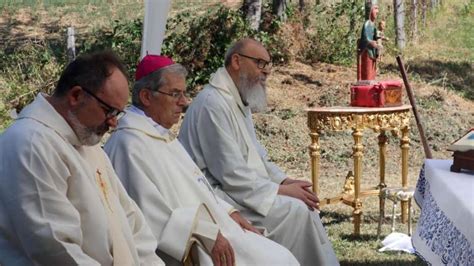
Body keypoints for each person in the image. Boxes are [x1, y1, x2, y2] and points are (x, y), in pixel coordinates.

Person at [104, 54, 299, 266]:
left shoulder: (160, 134)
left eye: (184, 93)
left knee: (282, 257)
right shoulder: (130, 144)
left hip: (214, 228)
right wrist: (206, 234)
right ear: (146, 97)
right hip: (194, 244)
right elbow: (148, 215)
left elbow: (196, 186)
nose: (184, 102)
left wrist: (228, 211)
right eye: (175, 94)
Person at [178, 38, 339, 266]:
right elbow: (232, 175)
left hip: (244, 191)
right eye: (260, 64)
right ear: (236, 61)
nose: (266, 73)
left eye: (267, 65)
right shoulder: (212, 103)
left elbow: (258, 157)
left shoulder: (238, 100)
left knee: (304, 207)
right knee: (296, 212)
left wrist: (286, 181)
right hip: (218, 197)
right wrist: (282, 191)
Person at [0, 51, 163, 266]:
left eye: (118, 114)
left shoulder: (85, 138)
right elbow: (55, 249)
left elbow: (129, 217)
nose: (113, 123)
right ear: (76, 95)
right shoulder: (30, 144)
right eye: (109, 111)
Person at [357, 0, 380, 81]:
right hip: (367, 52)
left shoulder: (373, 25)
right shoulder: (367, 24)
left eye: (378, 9)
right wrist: (370, 42)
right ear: (370, 10)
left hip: (372, 53)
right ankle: (367, 82)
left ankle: (372, 81)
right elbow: (364, 39)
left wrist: (378, 42)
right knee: (367, 72)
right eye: (375, 8)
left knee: (372, 71)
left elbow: (375, 36)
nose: (377, 11)